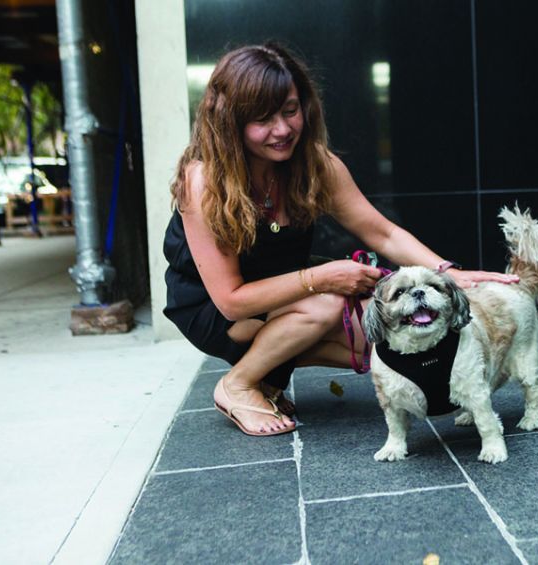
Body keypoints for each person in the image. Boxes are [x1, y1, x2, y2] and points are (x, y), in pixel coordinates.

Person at [163, 42, 519, 437]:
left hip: (288, 293)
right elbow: (230, 301)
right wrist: (324, 278)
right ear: (230, 120)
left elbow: (382, 231)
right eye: (263, 119)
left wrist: (452, 273)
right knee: (323, 309)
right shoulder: (204, 181)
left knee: (383, 334)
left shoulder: (314, 163)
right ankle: (238, 384)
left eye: (290, 110)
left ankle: (268, 376)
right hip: (214, 308)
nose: (282, 130)